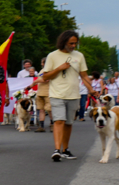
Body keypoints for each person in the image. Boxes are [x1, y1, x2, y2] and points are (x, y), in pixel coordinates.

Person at [39, 29, 98, 161]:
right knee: (59, 121)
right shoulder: (52, 56)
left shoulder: (79, 56)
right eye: (71, 43)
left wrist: (91, 89)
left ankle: (65, 149)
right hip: (57, 94)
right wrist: (59, 68)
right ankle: (56, 150)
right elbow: (45, 76)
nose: (73, 46)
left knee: (69, 123)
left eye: (75, 43)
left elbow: (84, 76)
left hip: (73, 95)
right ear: (64, 42)